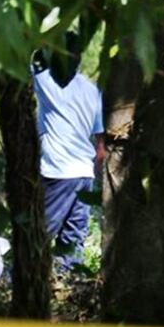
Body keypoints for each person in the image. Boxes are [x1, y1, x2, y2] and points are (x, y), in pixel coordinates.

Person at [33, 55, 105, 271]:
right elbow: (100, 141)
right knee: (73, 238)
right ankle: (69, 279)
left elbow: (32, 60)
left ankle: (19, 279)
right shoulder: (92, 90)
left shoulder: (48, 82)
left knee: (40, 232)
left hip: (59, 171)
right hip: (84, 173)